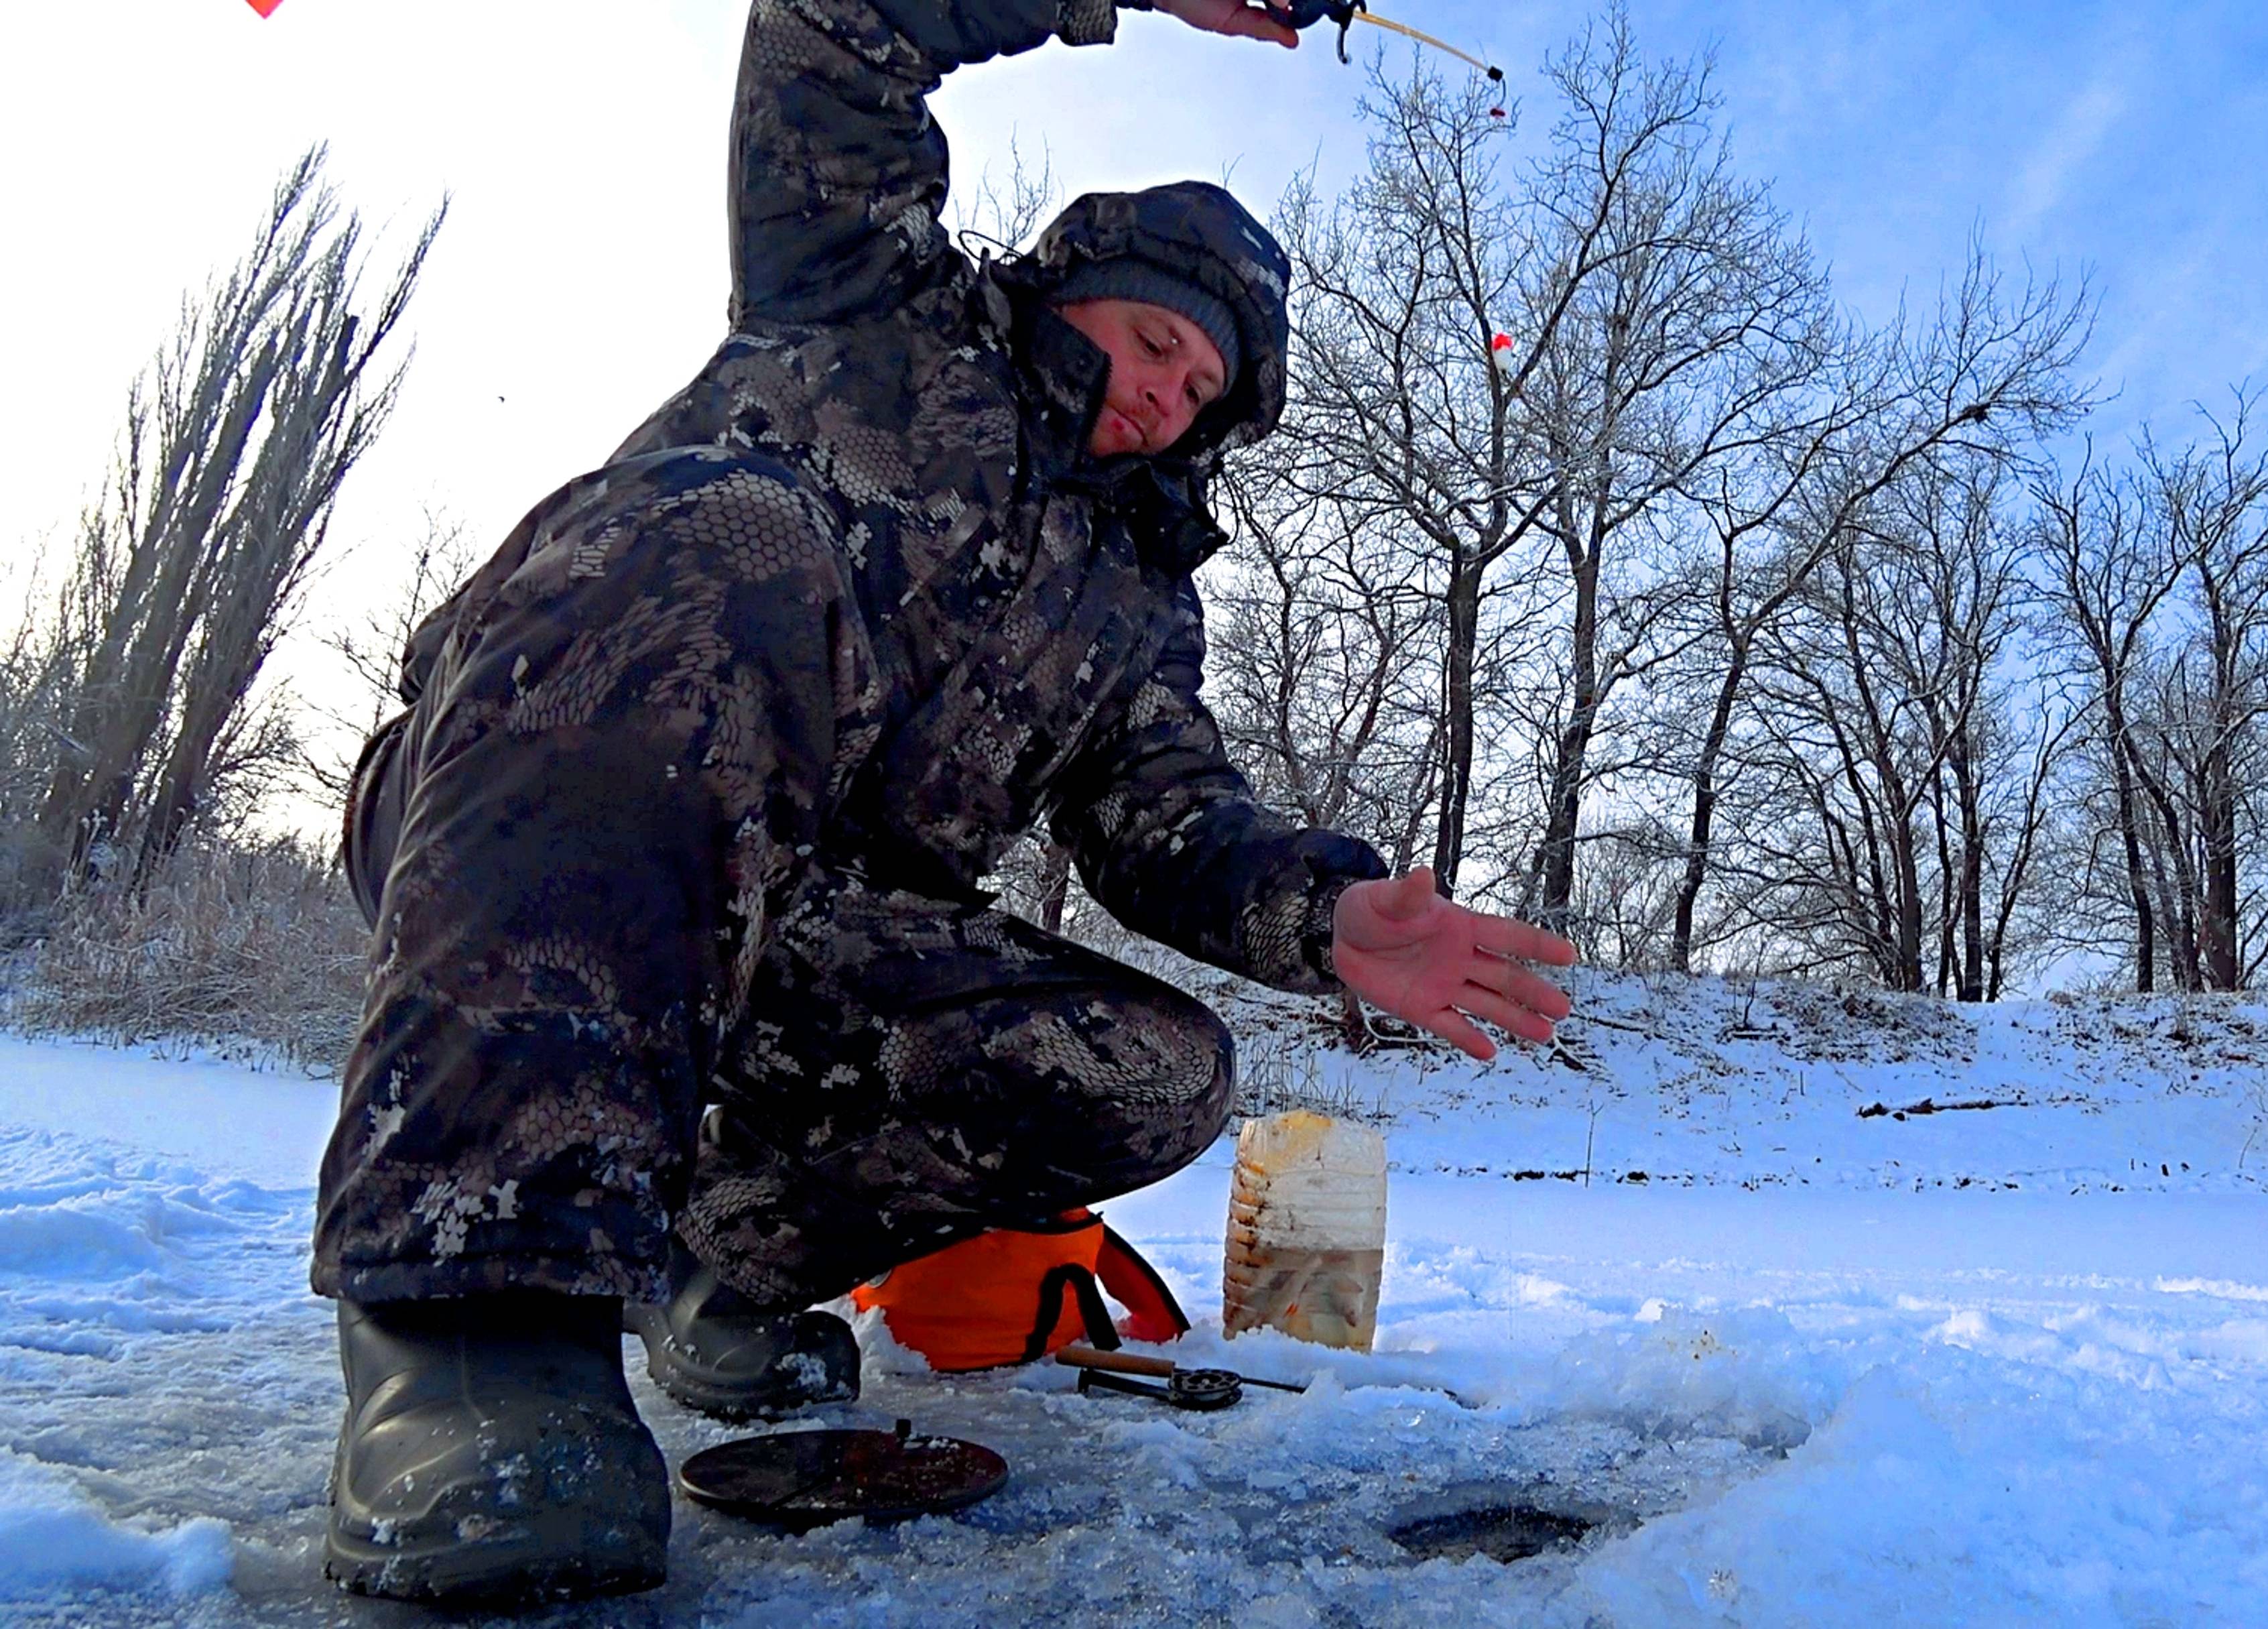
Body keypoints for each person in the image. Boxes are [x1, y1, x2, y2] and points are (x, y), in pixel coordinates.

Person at [314, 0, 1575, 1606]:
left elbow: (1171, 821)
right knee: (737, 534)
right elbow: (837, 28)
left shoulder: (1135, 601)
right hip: (546, 796)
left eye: (1204, 393)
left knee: (1156, 1068)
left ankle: (722, 1263)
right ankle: (475, 1328)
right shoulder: (865, 296)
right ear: (1074, 284)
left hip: (812, 943)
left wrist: (1325, 913)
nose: (1168, 400)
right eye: (1158, 345)